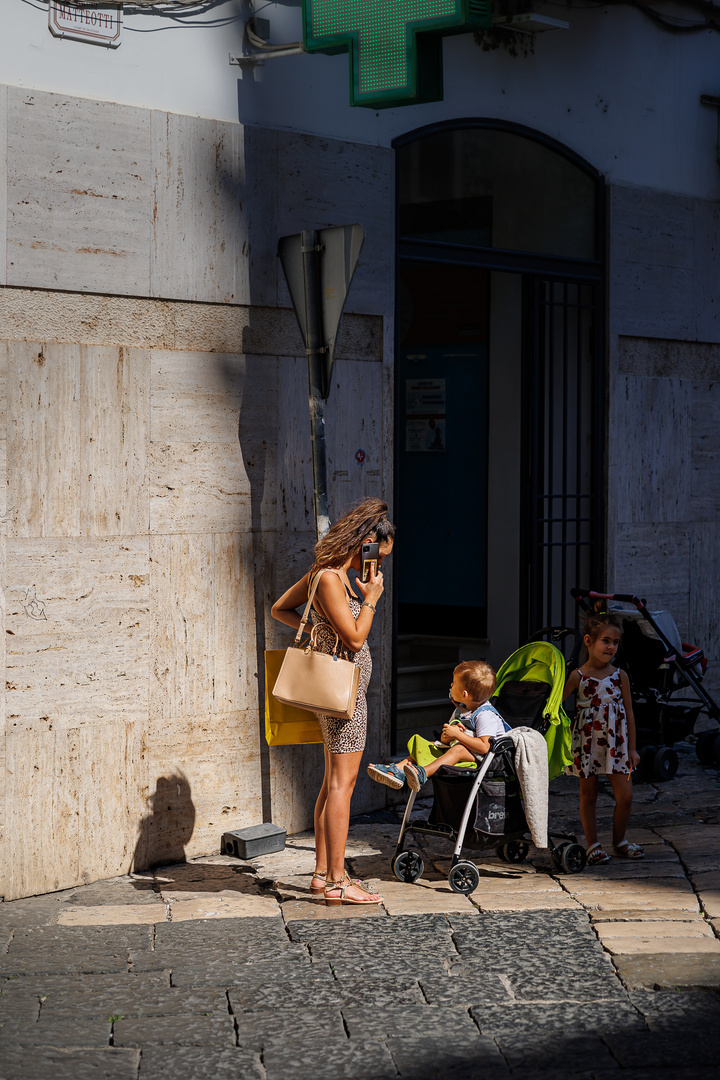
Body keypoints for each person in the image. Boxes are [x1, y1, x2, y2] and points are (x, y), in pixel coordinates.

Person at [271, 497, 395, 905]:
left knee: (331, 783)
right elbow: (357, 637)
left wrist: (317, 634)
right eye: (377, 553)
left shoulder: (329, 576)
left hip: (344, 691)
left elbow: (283, 610)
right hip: (344, 696)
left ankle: (323, 874)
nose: (376, 564)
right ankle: (340, 881)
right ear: (364, 541)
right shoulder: (328, 579)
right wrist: (373, 597)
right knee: (344, 784)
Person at [563, 612, 643, 865]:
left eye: (615, 643)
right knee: (589, 795)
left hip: (616, 744)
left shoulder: (620, 676)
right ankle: (592, 845)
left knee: (626, 796)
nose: (611, 647)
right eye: (606, 641)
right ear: (588, 640)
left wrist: (632, 748)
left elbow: (629, 713)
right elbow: (555, 706)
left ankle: (619, 841)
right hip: (587, 744)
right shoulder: (577, 676)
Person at [367, 660, 508, 793]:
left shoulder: (485, 715)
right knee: (428, 745)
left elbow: (485, 747)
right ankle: (398, 770)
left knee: (458, 749)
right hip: (471, 752)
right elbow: (445, 740)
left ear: (464, 695)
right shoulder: (461, 710)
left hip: (491, 759)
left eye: (454, 684)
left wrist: (459, 735)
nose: (451, 686)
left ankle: (423, 773)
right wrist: (447, 736)